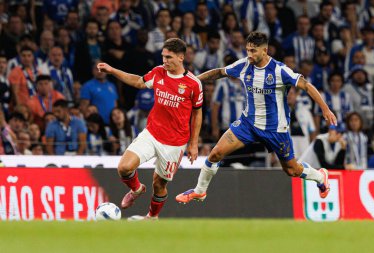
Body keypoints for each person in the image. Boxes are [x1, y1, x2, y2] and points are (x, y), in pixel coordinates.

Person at [176, 32, 337, 204]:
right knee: (216, 153)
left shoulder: (279, 70)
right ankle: (200, 191)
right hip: (248, 124)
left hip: (275, 129)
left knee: (292, 170)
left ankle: (320, 177)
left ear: (265, 50)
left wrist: (325, 109)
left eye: (253, 51)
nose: (250, 55)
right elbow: (220, 72)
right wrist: (193, 81)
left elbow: (306, 85)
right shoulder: (244, 65)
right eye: (247, 50)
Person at [97, 38, 203, 220]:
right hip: (152, 133)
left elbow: (197, 114)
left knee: (159, 184)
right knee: (124, 167)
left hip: (174, 143)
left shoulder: (193, 84)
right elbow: (138, 81)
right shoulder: (159, 72)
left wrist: (193, 144)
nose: (164, 61)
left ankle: (152, 217)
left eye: (168, 57)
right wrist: (112, 70)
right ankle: (137, 188)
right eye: (163, 57)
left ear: (180, 57)